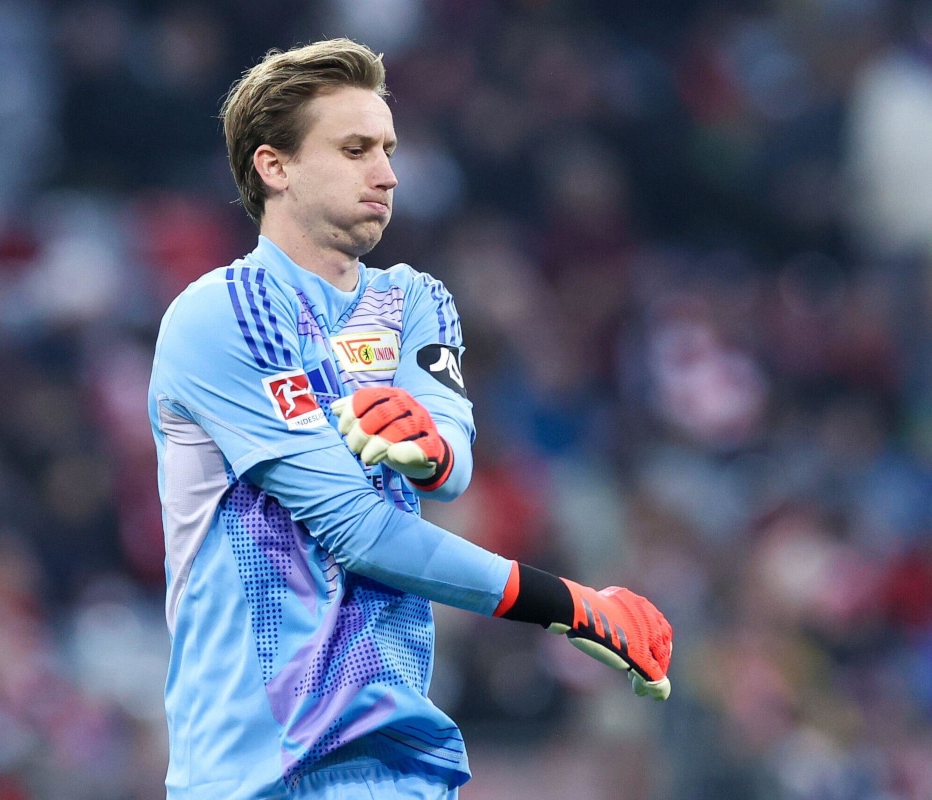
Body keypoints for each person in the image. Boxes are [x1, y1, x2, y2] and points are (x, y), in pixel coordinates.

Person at [147, 38, 673, 800]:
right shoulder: (220, 316)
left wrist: (427, 453)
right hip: (259, 766)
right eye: (356, 149)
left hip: (399, 759)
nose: (388, 174)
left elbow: (452, 466)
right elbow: (358, 531)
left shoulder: (415, 299)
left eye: (389, 149)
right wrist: (574, 607)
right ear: (275, 166)